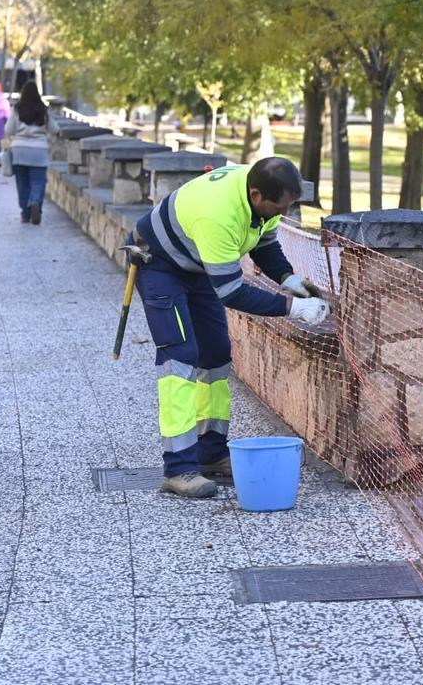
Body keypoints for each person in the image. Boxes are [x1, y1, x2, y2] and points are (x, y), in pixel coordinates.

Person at [133, 157, 330, 498]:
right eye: (279, 207)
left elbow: (265, 244)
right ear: (256, 195)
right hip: (160, 266)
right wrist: (294, 307)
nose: (282, 214)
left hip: (198, 266)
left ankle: (211, 453)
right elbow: (232, 292)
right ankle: (178, 469)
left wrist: (289, 279)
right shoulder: (219, 215)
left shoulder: (260, 200)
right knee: (180, 357)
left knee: (216, 355)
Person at [2, 81, 49, 224]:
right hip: (39, 151)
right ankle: (35, 202)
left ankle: (25, 213)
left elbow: (8, 130)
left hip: (20, 150)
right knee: (38, 181)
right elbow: (55, 128)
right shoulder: (43, 109)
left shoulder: (17, 110)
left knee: (22, 183)